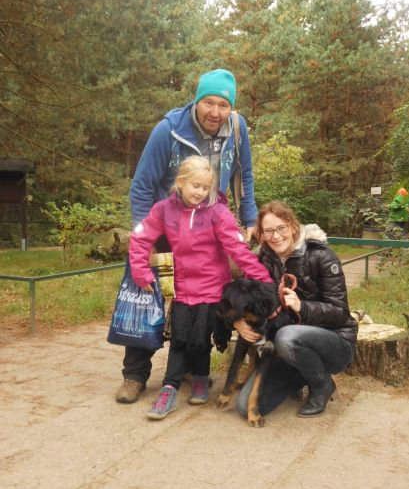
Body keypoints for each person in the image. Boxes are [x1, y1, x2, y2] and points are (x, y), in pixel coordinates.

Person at [116, 68, 258, 404]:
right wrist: (147, 236)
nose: (215, 112)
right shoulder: (168, 130)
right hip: (166, 227)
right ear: (197, 101)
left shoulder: (238, 129)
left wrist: (249, 215)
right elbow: (142, 185)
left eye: (223, 105)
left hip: (208, 227)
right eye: (209, 102)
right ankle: (135, 374)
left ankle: (194, 367)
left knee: (203, 300)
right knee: (147, 296)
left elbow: (245, 175)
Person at [128, 156, 272, 419]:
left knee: (200, 338)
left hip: (212, 289)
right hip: (181, 287)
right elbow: (140, 237)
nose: (200, 192)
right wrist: (140, 271)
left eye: (206, 187)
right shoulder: (163, 209)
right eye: (196, 186)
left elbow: (237, 249)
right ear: (181, 182)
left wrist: (264, 280)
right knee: (179, 339)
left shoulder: (218, 212)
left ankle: (200, 378)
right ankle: (169, 388)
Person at [234, 200, 358, 419]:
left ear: (292, 226)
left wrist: (303, 306)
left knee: (287, 336)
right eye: (268, 231)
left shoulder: (321, 255)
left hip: (333, 342)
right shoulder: (261, 259)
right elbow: (239, 295)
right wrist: (237, 320)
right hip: (284, 349)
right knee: (245, 406)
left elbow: (340, 313)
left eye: (281, 228)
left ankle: (321, 385)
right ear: (262, 234)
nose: (276, 236)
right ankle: (298, 377)